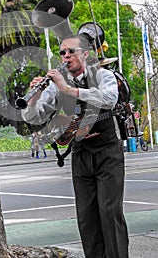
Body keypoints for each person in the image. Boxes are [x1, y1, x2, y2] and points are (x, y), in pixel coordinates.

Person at [22, 33, 129, 258]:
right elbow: (33, 116)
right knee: (87, 218)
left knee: (110, 213)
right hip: (81, 153)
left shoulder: (102, 75)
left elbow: (110, 99)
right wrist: (33, 97)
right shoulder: (57, 83)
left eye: (72, 51)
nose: (66, 56)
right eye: (63, 52)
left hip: (107, 149)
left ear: (85, 54)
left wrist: (69, 90)